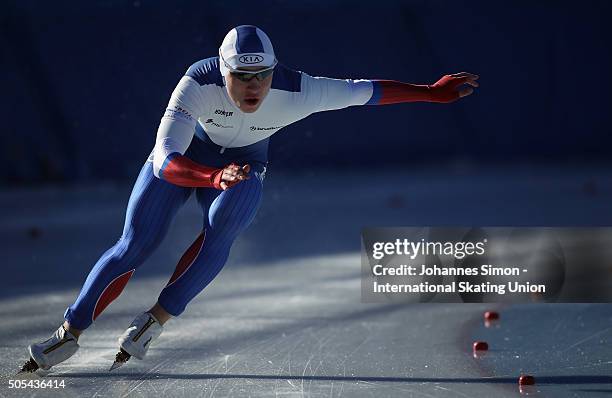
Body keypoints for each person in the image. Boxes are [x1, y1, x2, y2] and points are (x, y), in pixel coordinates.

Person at [20, 25, 478, 373]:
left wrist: (430, 95)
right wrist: (211, 173)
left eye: (262, 75)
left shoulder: (298, 90)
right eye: (243, 76)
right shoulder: (197, 84)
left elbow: (368, 92)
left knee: (225, 228)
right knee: (134, 245)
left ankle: (156, 319)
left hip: (242, 169)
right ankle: (69, 332)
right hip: (188, 161)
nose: (254, 86)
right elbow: (164, 161)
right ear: (224, 73)